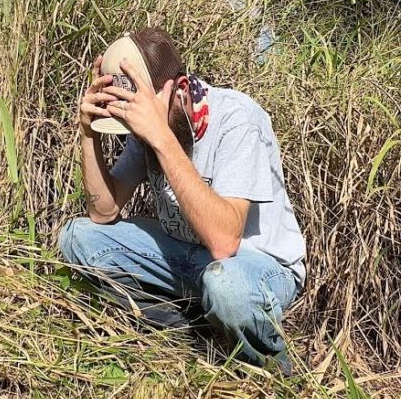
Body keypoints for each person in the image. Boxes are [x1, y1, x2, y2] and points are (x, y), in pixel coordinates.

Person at [58, 27, 306, 371]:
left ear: (181, 90)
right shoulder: (146, 129)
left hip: (257, 266)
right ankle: (191, 336)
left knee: (228, 287)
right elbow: (103, 213)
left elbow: (224, 243)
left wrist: (160, 137)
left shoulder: (237, 118)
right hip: (189, 260)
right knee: (79, 237)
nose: (137, 134)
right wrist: (88, 134)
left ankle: (277, 375)